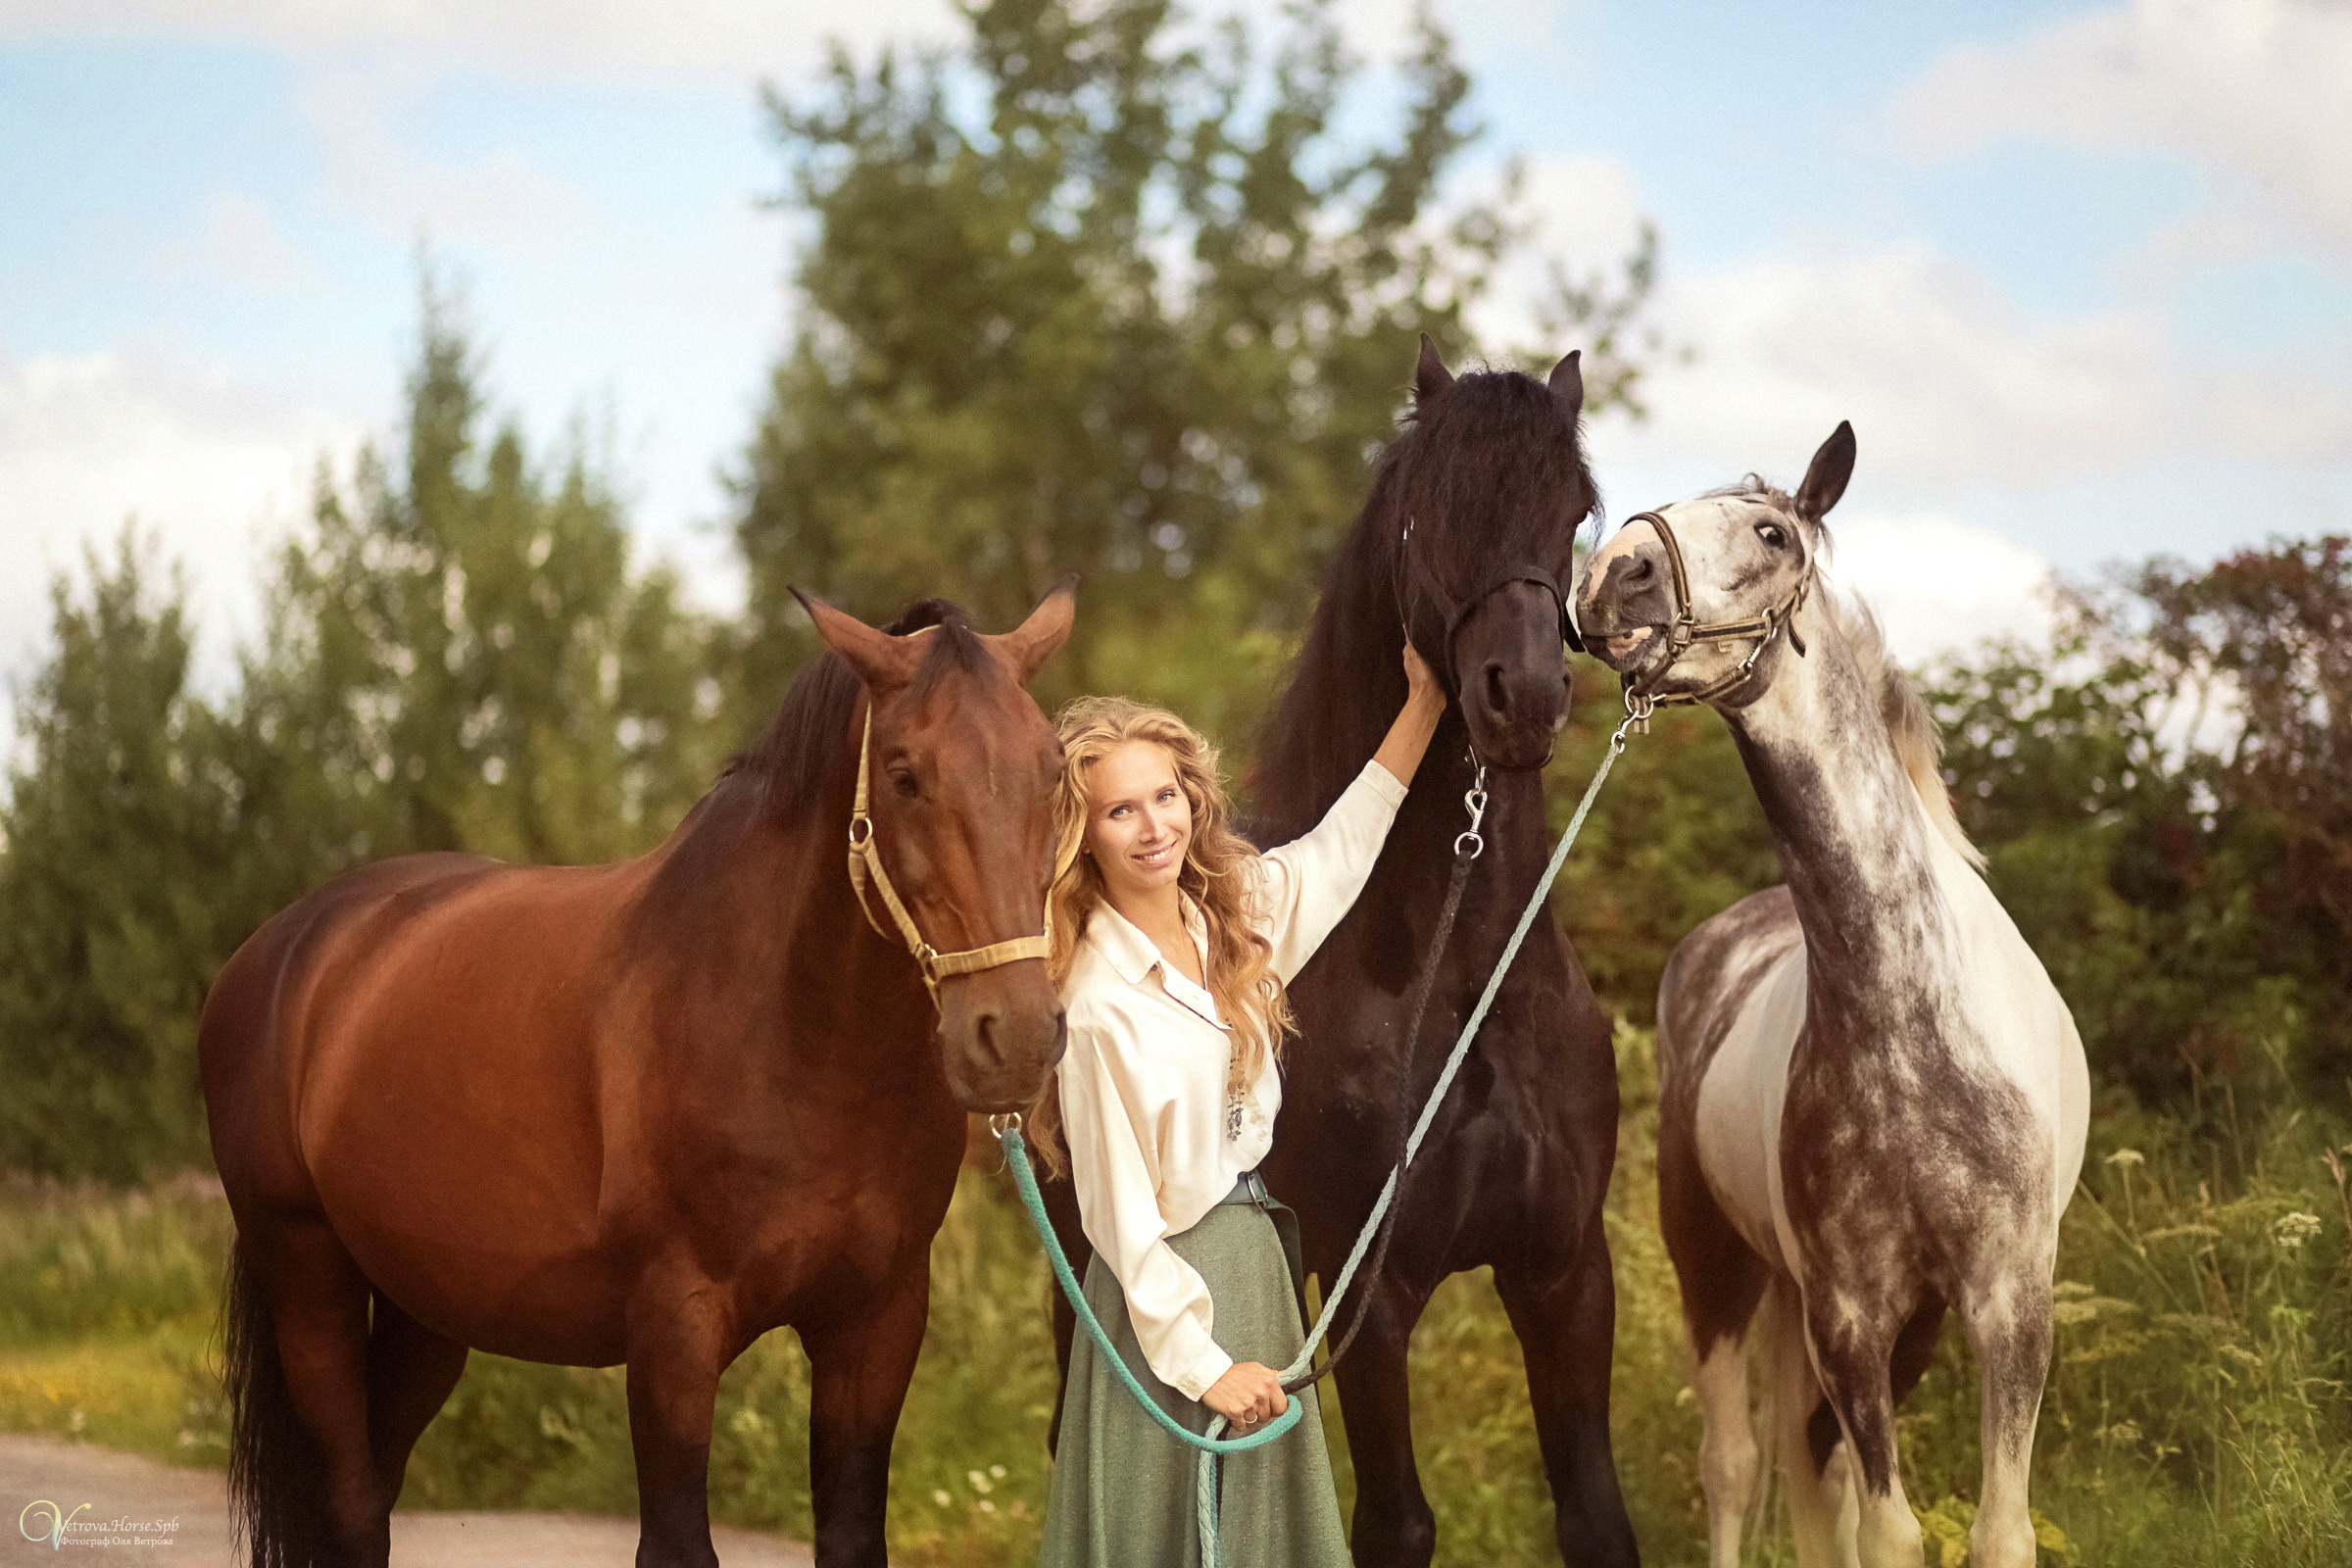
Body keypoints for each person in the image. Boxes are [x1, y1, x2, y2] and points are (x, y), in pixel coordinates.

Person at [1031, 647, 1446, 1567]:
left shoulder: (1232, 915)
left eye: (1166, 796)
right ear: (1082, 834)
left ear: (1194, 798)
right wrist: (1206, 1367)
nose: (1152, 827)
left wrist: (1423, 704)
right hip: (1164, 1304)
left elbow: (1340, 850)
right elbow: (1117, 1217)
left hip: (1257, 1267)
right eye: (1119, 810)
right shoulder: (1096, 1001)